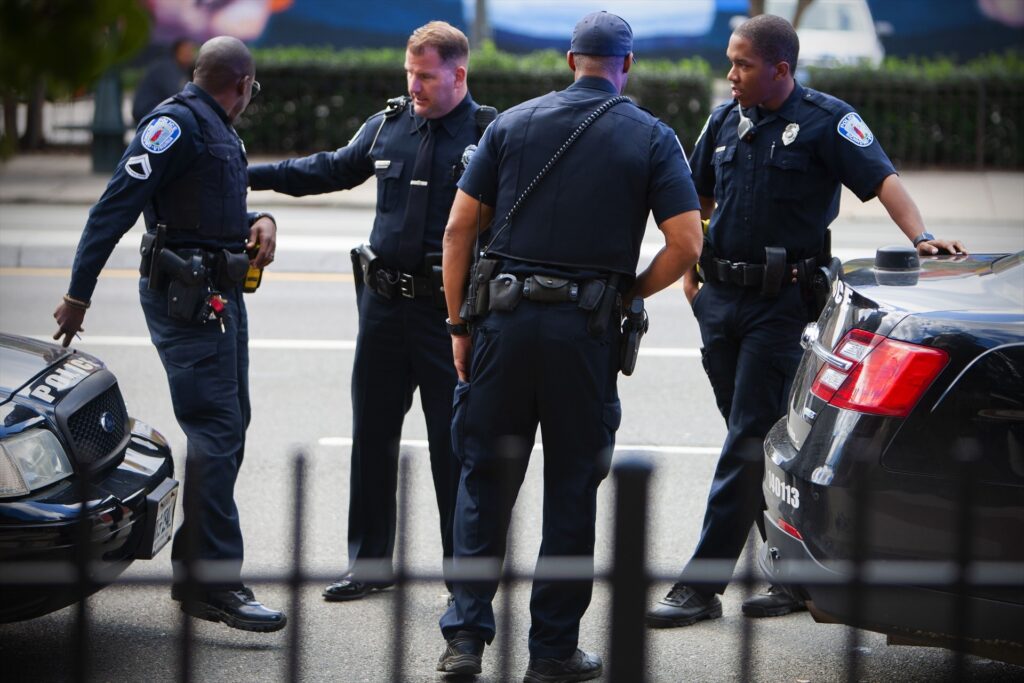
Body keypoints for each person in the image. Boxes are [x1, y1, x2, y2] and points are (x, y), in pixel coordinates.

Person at [645, 13, 967, 629]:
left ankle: (701, 583)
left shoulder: (825, 120)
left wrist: (921, 237)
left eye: (743, 64)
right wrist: (690, 269)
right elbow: (699, 199)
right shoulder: (724, 118)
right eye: (731, 61)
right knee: (760, 440)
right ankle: (793, 575)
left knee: (746, 438)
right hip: (721, 301)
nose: (730, 74)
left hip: (780, 305)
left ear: (781, 69)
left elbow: (883, 178)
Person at [435, 11, 703, 680]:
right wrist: (632, 291)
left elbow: (458, 232)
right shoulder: (651, 136)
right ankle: (552, 650)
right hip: (584, 334)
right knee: (571, 488)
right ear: (627, 66)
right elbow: (688, 244)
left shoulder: (512, 123)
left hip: (502, 323)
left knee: (484, 482)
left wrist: (459, 327)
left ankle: (465, 638)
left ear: (569, 59)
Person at [248, 21, 491, 602]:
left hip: (446, 315)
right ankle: (370, 563)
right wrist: (245, 175)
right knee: (373, 436)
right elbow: (329, 169)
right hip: (382, 309)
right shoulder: (388, 125)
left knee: (451, 444)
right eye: (409, 74)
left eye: (426, 75)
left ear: (458, 74)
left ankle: (462, 575)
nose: (415, 86)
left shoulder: (491, 135)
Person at [53, 36, 285, 633]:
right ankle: (211, 582)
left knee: (230, 423)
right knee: (217, 428)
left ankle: (199, 572)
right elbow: (113, 206)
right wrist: (79, 294)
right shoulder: (175, 126)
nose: (248, 100)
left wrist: (258, 220)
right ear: (240, 85)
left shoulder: (213, 125)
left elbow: (211, 203)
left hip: (220, 295)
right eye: (250, 91)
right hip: (187, 301)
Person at [132, 38, 196, 125]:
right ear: (177, 50)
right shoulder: (166, 67)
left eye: (191, 50)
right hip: (148, 113)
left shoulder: (180, 68)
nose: (190, 54)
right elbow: (177, 94)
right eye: (187, 49)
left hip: (158, 112)